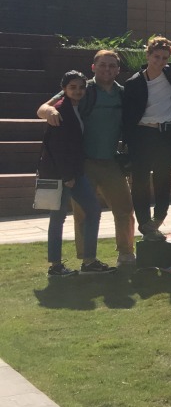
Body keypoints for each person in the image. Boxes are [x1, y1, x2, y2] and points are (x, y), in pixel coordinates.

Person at [37, 50, 137, 267]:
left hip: (111, 161)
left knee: (125, 209)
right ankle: (86, 258)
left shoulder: (122, 92)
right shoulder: (82, 89)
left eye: (112, 66)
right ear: (94, 67)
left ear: (118, 70)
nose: (107, 69)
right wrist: (50, 112)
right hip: (84, 163)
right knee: (82, 213)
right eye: (102, 65)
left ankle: (126, 253)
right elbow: (43, 108)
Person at [37, 71, 114, 276]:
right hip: (62, 175)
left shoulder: (77, 107)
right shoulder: (59, 111)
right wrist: (67, 177)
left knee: (91, 211)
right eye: (72, 87)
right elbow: (58, 148)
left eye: (81, 87)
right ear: (64, 89)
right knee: (59, 217)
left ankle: (88, 262)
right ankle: (56, 266)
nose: (78, 91)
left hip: (74, 173)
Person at [121, 36, 171, 242]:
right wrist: (127, 142)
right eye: (156, 57)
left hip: (166, 133)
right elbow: (127, 116)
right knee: (141, 180)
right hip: (142, 134)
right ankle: (145, 224)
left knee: (163, 177)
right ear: (148, 55)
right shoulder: (134, 82)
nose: (160, 61)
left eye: (164, 58)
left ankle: (159, 217)